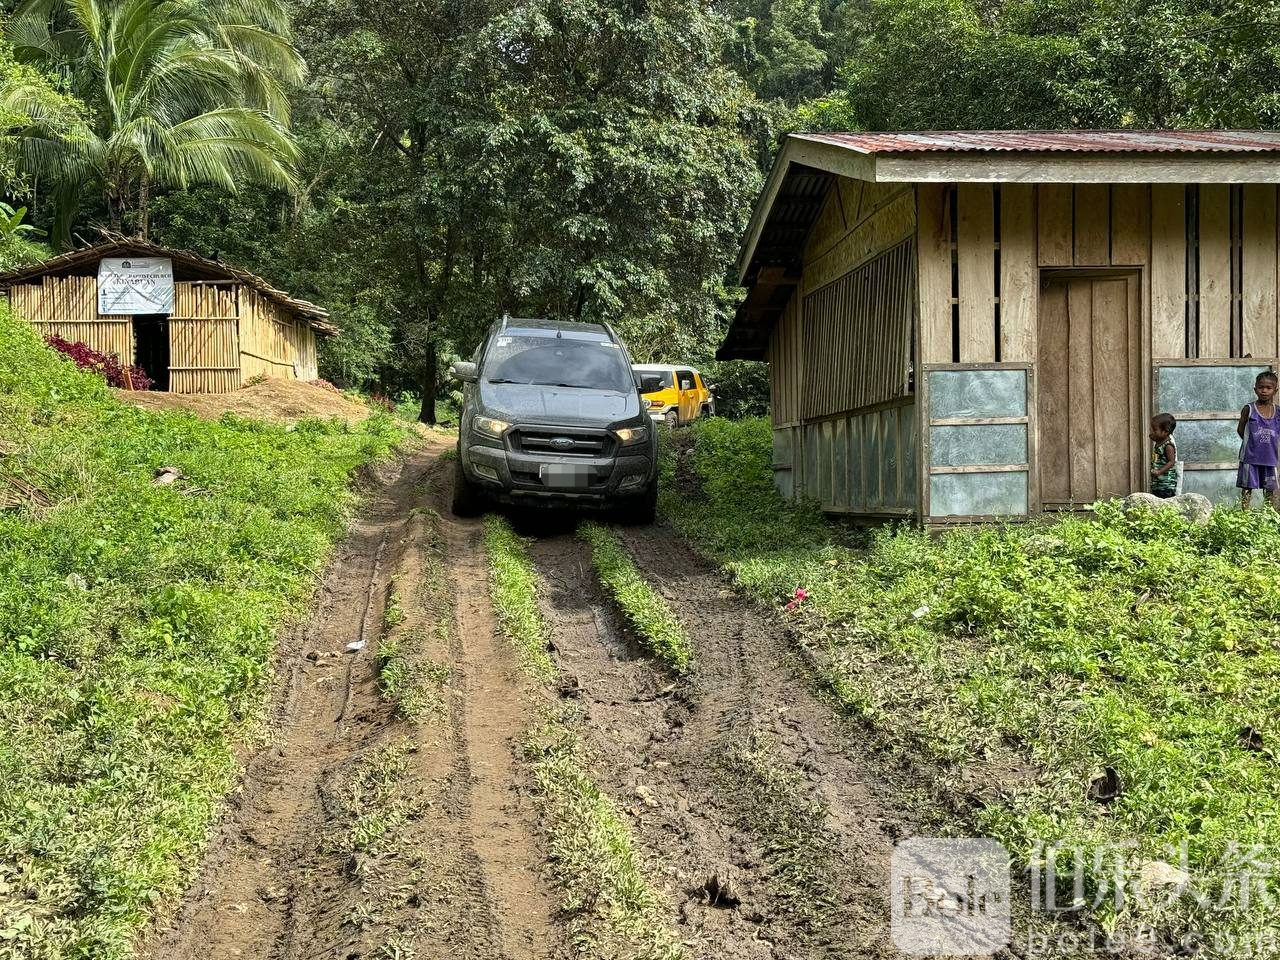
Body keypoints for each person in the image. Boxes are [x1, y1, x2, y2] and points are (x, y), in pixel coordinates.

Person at [1237, 370, 1280, 509]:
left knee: (1269, 490)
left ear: (1275, 390)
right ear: (1255, 389)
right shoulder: (1249, 409)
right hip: (1250, 458)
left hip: (1270, 459)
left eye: (1268, 388)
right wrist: (1252, 444)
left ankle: (1269, 516)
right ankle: (1244, 516)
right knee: (1247, 488)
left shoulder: (1278, 412)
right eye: (1261, 387)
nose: (1264, 391)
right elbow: (1240, 430)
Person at [1149, 413, 1178, 499]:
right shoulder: (1159, 441)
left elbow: (1171, 461)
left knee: (1165, 503)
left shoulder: (1168, 446)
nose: (1152, 432)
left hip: (1166, 484)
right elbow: (1154, 437)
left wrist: (1159, 471)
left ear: (1165, 431)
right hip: (1158, 483)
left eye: (1154, 430)